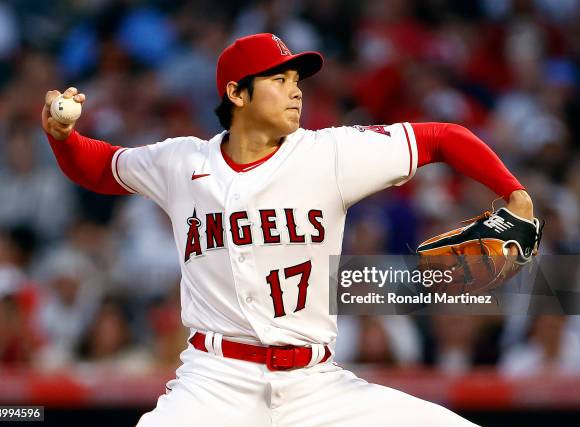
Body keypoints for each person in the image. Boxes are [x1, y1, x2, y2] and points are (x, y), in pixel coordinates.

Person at [42, 33, 535, 426]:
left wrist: (513, 191)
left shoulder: (329, 153)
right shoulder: (182, 161)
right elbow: (101, 167)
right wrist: (63, 139)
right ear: (236, 93)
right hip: (214, 382)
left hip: (316, 386)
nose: (296, 88)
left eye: (296, 78)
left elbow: (441, 137)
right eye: (278, 78)